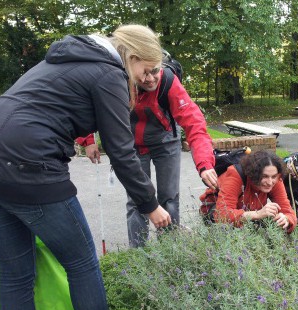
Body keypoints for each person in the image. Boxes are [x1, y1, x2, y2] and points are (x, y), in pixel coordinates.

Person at [0, 24, 172, 310]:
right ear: (132, 56)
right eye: (148, 68)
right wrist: (151, 204)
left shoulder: (64, 61)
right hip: (30, 162)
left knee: (15, 276)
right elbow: (120, 151)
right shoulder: (108, 74)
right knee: (81, 264)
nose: (149, 77)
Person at [76, 57, 217, 248]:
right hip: (132, 145)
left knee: (169, 197)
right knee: (137, 199)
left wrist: (204, 164)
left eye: (155, 71)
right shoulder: (116, 81)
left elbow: (195, 123)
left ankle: (170, 249)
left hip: (166, 141)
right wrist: (88, 140)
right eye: (145, 73)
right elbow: (92, 107)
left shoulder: (168, 81)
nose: (151, 79)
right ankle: (139, 253)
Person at [200, 150, 298, 233]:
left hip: (247, 212)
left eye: (274, 176)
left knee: (271, 223)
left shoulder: (275, 179)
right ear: (254, 174)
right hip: (214, 212)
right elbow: (221, 215)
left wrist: (286, 219)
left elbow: (288, 211)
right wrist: (257, 214)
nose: (270, 182)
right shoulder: (235, 175)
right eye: (264, 176)